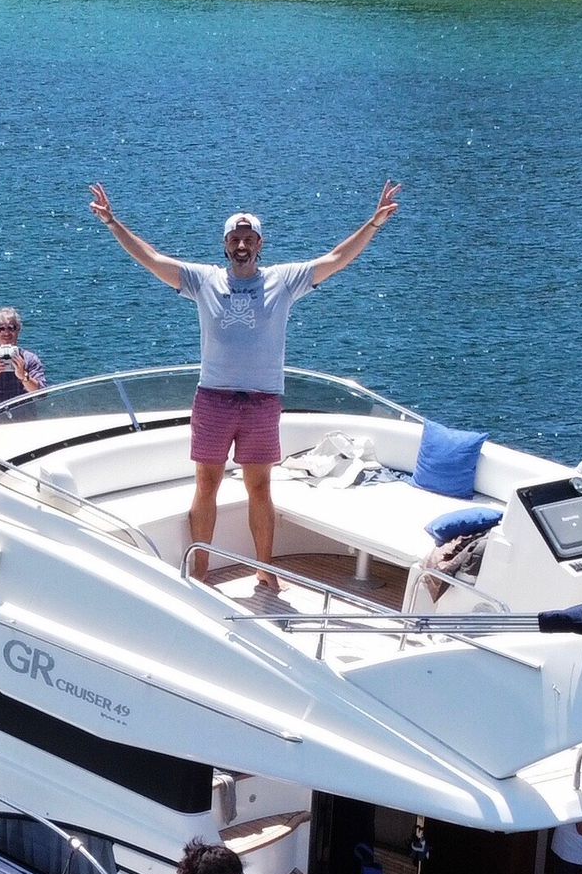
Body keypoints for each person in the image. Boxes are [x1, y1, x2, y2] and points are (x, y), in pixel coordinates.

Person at [87, 180, 401, 592]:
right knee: (206, 484)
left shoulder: (285, 281)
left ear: (259, 244)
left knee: (260, 487)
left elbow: (336, 259)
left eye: (248, 239)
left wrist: (373, 224)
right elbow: (151, 258)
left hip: (262, 402)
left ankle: (265, 569)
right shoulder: (203, 281)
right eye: (235, 238)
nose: (241, 245)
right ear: (225, 244)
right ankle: (200, 567)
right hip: (214, 399)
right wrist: (114, 223)